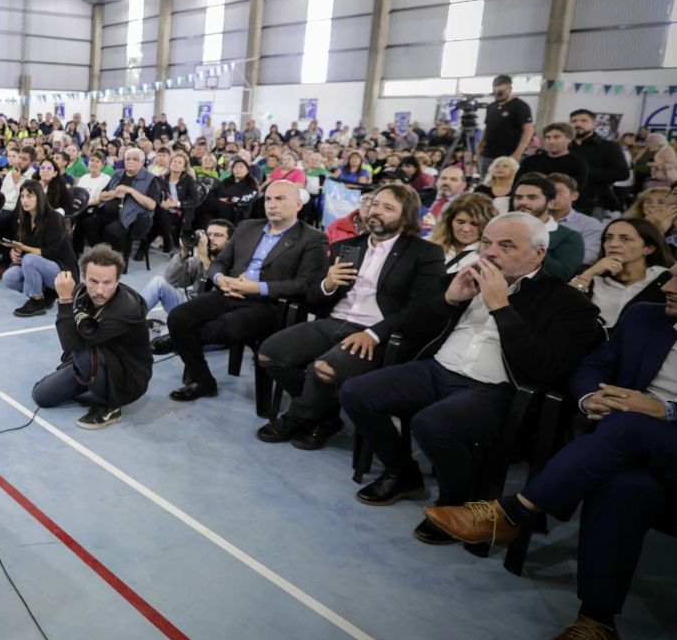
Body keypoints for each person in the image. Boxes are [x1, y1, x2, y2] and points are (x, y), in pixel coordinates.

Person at [421, 274, 677, 640]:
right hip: (625, 450)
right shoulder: (647, 317)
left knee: (626, 428)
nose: (668, 284)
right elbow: (594, 365)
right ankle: (597, 624)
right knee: (625, 487)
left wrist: (664, 411)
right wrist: (592, 397)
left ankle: (514, 512)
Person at [339, 212, 605, 543]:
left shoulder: (568, 303)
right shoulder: (465, 276)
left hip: (497, 389)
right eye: (487, 243)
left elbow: (546, 368)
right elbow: (413, 329)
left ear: (538, 253)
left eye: (506, 245)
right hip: (437, 369)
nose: (491, 253)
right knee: (356, 392)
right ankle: (403, 472)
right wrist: (449, 299)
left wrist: (501, 307)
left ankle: (456, 506)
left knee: (432, 424)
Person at [255, 184, 445, 450]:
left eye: (388, 207)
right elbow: (315, 296)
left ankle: (296, 417)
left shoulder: (425, 253)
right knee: (269, 353)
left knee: (323, 369)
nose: (376, 211)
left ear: (406, 216)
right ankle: (325, 416)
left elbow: (421, 309)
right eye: (375, 204)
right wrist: (328, 284)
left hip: (377, 333)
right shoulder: (347, 246)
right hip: (334, 321)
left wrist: (374, 333)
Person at [165, 181, 329, 401]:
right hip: (230, 292)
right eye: (269, 198)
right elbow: (219, 263)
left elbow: (306, 284)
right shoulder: (247, 227)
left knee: (225, 326)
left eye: (280, 199)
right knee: (178, 316)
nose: (272, 204)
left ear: (298, 204)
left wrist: (257, 287)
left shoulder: (313, 238)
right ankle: (203, 379)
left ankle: (177, 340)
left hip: (270, 304)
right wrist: (221, 279)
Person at [31, 245, 154, 430]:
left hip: (127, 376)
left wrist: (65, 299)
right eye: (93, 281)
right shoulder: (81, 291)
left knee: (82, 353)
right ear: (83, 278)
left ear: (118, 280)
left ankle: (110, 405)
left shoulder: (125, 309)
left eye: (107, 283)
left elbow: (71, 343)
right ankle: (90, 378)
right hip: (100, 356)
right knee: (41, 396)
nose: (99, 290)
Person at [566, 218, 671, 327]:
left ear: (648, 249)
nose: (613, 244)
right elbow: (559, 308)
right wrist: (588, 274)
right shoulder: (590, 276)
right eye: (608, 238)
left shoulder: (664, 279)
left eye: (625, 239)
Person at [3, 180, 78, 317]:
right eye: (22, 196)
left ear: (39, 197)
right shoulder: (24, 219)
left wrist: (24, 248)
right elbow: (23, 247)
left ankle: (36, 302)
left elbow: (51, 253)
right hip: (42, 266)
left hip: (63, 272)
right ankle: (46, 294)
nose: (25, 200)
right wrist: (15, 253)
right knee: (9, 277)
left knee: (30, 259)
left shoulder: (53, 217)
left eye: (29, 196)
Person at [141, 218, 233, 325]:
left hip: (213, 317)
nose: (211, 238)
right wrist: (183, 253)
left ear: (230, 241)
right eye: (209, 234)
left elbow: (225, 290)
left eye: (217, 235)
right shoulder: (199, 259)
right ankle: (129, 320)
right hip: (190, 306)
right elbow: (171, 279)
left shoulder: (235, 262)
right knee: (158, 282)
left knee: (168, 337)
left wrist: (205, 260)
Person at [78, 147, 160, 258]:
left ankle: (117, 259)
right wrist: (114, 194)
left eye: (135, 159)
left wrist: (130, 190)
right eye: (128, 159)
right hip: (108, 213)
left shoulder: (151, 179)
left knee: (111, 230)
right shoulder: (118, 174)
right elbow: (101, 196)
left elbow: (152, 205)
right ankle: (102, 254)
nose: (130, 161)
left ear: (142, 162)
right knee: (89, 223)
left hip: (132, 217)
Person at [510, 173, 585, 281]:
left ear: (550, 203)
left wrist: (526, 240)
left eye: (532, 198)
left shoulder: (569, 237)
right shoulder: (500, 230)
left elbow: (562, 274)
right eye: (518, 197)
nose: (523, 202)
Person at [568, 109, 630, 215]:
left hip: (593, 202)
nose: (578, 124)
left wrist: (584, 173)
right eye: (574, 121)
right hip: (565, 201)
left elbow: (622, 173)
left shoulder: (609, 147)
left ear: (594, 124)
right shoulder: (565, 146)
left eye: (584, 121)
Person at [429, 191, 496, 279]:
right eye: (460, 222)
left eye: (474, 224)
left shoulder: (491, 256)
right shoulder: (430, 246)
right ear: (449, 221)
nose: (465, 229)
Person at [518, 122, 589, 198]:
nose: (551, 141)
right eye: (548, 137)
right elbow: (517, 184)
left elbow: (576, 190)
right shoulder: (530, 161)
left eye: (556, 137)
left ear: (569, 139)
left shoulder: (578, 163)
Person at [545, 173, 602, 264]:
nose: (552, 196)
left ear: (574, 196)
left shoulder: (589, 224)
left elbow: (589, 256)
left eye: (558, 192)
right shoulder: (533, 220)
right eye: (548, 192)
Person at [478, 74, 534, 168]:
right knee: (485, 181)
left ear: (510, 89)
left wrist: (518, 153)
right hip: (488, 154)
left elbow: (528, 130)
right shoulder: (491, 106)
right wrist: (480, 143)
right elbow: (488, 127)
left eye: (501, 92)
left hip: (508, 154)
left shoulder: (520, 106)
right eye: (495, 92)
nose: (497, 95)